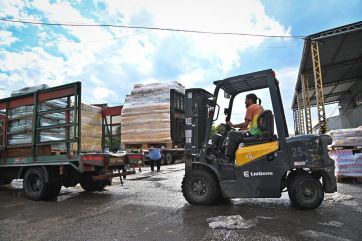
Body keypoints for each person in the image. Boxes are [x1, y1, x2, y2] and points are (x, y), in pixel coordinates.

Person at [225, 93, 263, 162]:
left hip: (254, 134)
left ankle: (227, 158)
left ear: (250, 100)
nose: (245, 102)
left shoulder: (251, 107)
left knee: (232, 134)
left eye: (246, 100)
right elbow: (254, 125)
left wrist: (233, 125)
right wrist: (242, 129)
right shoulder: (259, 107)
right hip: (258, 133)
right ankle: (232, 160)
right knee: (237, 135)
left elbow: (245, 124)